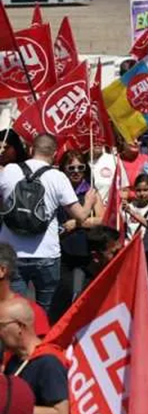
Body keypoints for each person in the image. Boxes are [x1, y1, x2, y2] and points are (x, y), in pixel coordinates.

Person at [0, 134, 97, 313]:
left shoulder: (9, 170)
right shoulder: (58, 177)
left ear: (31, 150)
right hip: (47, 254)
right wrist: (89, 202)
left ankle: (16, 340)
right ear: (54, 153)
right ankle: (43, 340)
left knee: (15, 310)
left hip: (11, 252)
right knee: (47, 311)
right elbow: (81, 216)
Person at [0, 297, 68, 414]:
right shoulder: (14, 360)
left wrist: (18, 406)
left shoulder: (48, 363)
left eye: (1, 325)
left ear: (20, 327)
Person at [125, 174, 148, 328]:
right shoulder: (128, 206)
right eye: (138, 190)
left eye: (145, 190)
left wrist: (131, 212)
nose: (142, 193)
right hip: (131, 253)